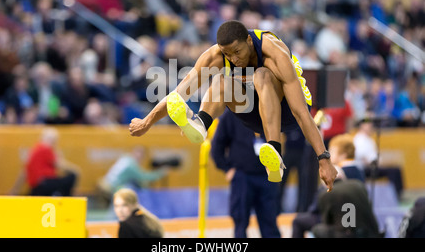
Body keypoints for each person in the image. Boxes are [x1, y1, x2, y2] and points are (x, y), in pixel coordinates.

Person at [130, 20, 337, 191]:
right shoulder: (216, 56)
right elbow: (177, 95)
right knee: (221, 80)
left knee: (262, 75)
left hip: (287, 112)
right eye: (228, 54)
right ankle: (201, 123)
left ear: (248, 40)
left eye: (237, 52)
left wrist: (324, 158)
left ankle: (274, 152)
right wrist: (147, 122)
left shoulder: (274, 52)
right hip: (254, 111)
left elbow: (301, 113)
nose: (234, 59)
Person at [210, 109, 281, 238]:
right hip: (242, 176)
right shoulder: (232, 114)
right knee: (240, 222)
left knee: (270, 223)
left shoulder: (268, 109)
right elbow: (216, 146)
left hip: (267, 176)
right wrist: (227, 168)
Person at [291, 133, 364, 238]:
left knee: (298, 221)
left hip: (334, 217)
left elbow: (323, 199)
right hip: (350, 218)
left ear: (343, 155)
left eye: (332, 151)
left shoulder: (337, 172)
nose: (329, 154)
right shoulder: (358, 171)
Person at [10, 128, 79, 196]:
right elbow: (59, 164)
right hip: (44, 183)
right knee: (73, 176)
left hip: (36, 186)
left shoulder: (35, 148)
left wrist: (15, 189)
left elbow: (24, 171)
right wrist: (76, 170)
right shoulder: (45, 148)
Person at [96, 146, 167, 206]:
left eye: (141, 155)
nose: (139, 157)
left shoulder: (126, 158)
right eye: (138, 154)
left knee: (131, 184)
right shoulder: (130, 165)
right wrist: (160, 173)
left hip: (106, 183)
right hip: (109, 187)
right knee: (130, 188)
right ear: (134, 153)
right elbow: (144, 177)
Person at [311, 178, 382, 238]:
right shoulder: (358, 184)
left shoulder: (326, 194)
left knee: (317, 229)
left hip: (346, 234)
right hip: (370, 232)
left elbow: (326, 221)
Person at [353, 117, 404, 199]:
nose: (371, 127)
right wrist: (375, 165)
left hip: (374, 165)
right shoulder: (359, 139)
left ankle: (398, 193)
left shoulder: (369, 140)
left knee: (396, 169)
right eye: (368, 125)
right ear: (362, 126)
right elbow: (363, 158)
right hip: (365, 168)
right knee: (393, 171)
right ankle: (396, 195)